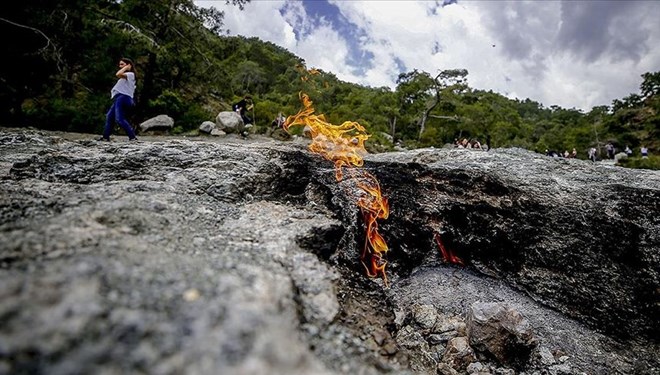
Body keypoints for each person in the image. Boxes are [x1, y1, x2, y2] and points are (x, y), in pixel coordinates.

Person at [100, 57, 138, 141]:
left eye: (122, 64)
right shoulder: (125, 77)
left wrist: (126, 68)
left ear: (129, 65)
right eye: (120, 64)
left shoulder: (130, 74)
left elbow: (118, 74)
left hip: (123, 97)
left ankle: (132, 137)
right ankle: (105, 137)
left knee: (119, 119)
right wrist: (125, 67)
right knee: (109, 116)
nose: (120, 66)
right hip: (119, 98)